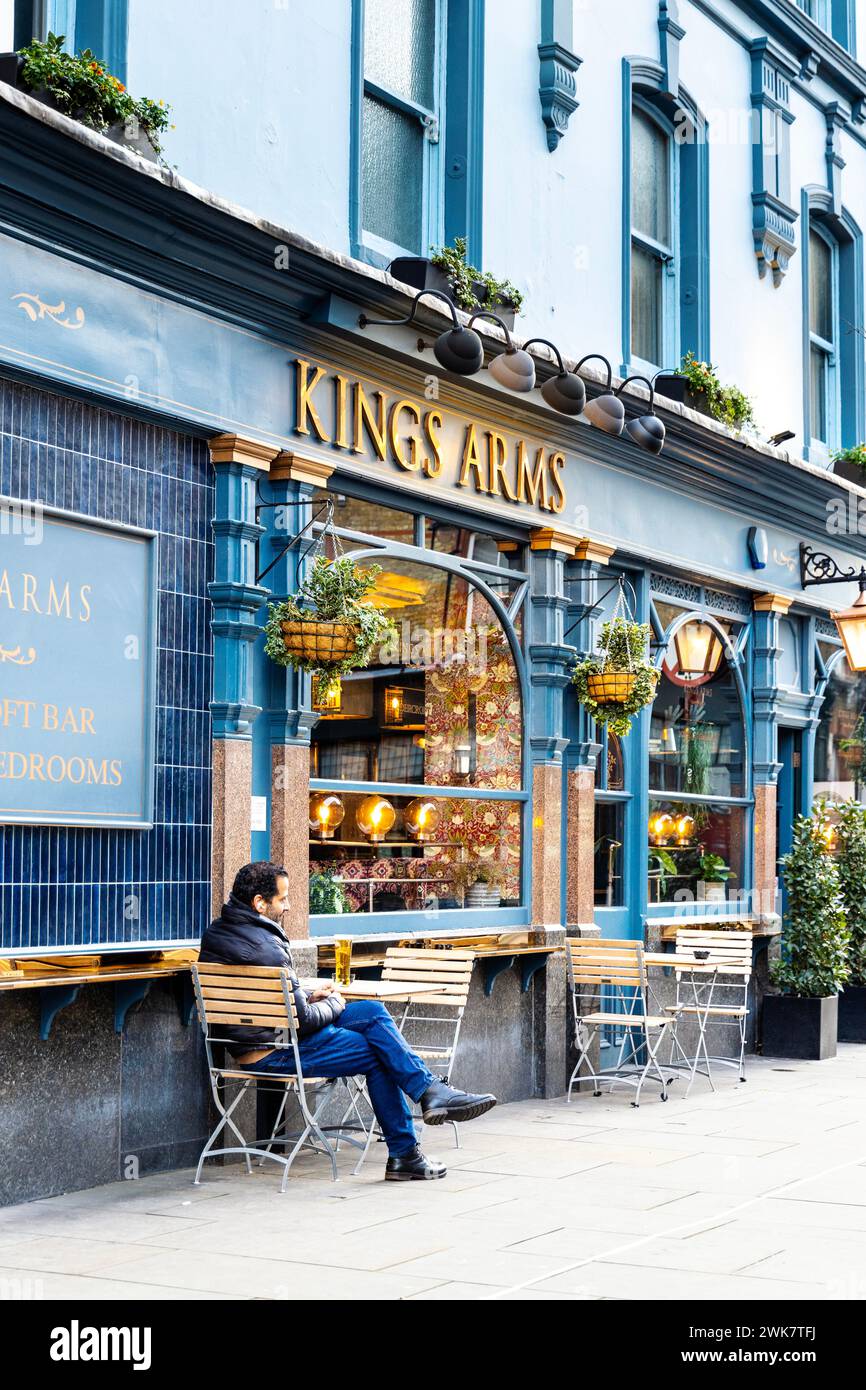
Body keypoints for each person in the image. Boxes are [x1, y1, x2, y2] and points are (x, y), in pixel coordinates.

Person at [199, 861, 497, 1181]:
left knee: (370, 1011)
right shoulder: (267, 947)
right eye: (282, 899)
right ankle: (409, 1142)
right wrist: (334, 1001)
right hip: (276, 1051)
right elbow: (305, 1021)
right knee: (382, 1054)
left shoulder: (217, 933)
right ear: (260, 903)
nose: (288, 906)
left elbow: (281, 1004)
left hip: (262, 1040)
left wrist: (309, 995)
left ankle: (429, 1095)